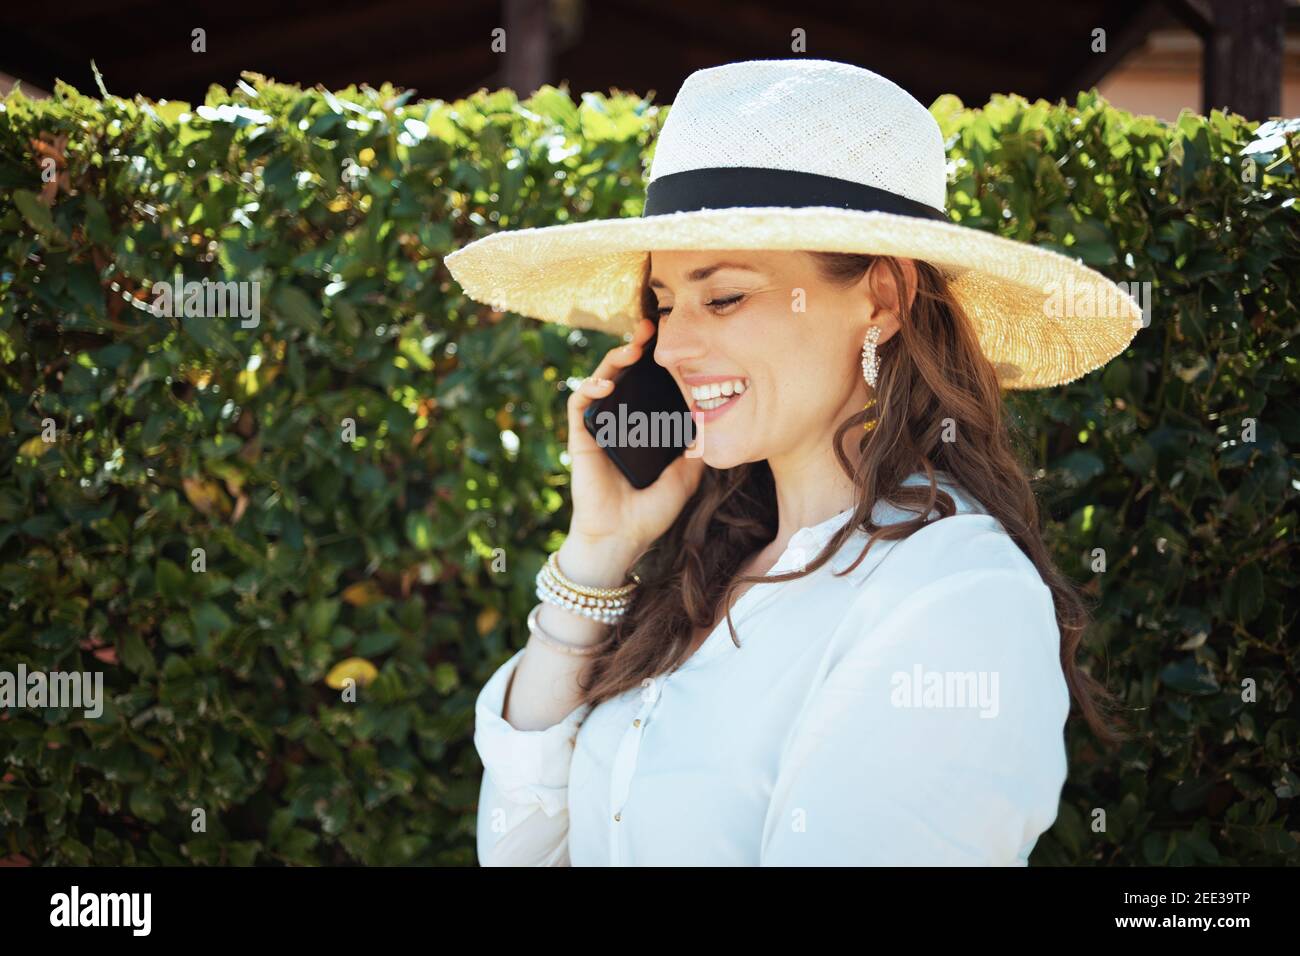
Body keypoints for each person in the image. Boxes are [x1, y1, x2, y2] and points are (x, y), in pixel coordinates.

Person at [444, 58, 1142, 866]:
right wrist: (597, 555)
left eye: (725, 296)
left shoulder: (954, 597)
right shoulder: (707, 570)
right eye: (663, 303)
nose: (669, 345)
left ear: (881, 298)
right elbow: (521, 852)